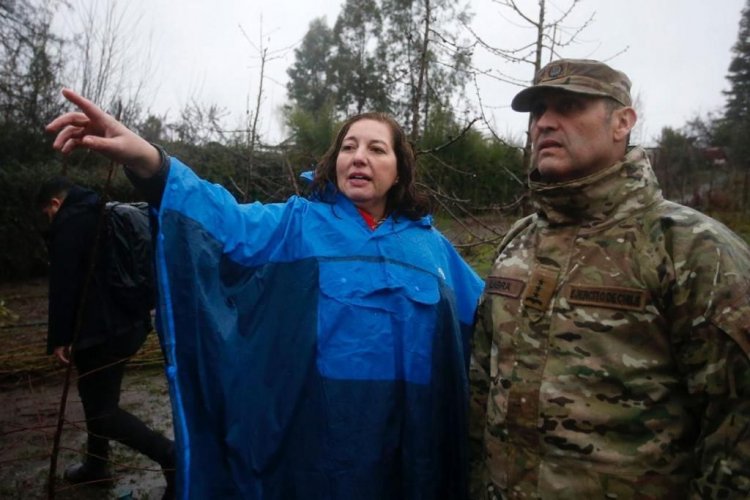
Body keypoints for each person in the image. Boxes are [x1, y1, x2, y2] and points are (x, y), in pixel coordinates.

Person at [46, 90, 485, 499]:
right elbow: (221, 221)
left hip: (413, 446)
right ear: (335, 161)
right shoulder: (298, 225)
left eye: (376, 149)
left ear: (399, 171)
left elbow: (489, 320)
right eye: (349, 146)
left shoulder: (432, 250)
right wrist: (149, 160)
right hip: (321, 447)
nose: (359, 157)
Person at [469, 58, 750, 499]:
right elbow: (480, 392)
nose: (545, 123)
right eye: (538, 110)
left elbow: (737, 431)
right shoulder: (517, 244)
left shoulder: (691, 249)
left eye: (568, 107)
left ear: (622, 122)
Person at [36, 177, 175, 496]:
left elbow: (65, 285)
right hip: (128, 324)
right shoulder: (100, 211)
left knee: (103, 410)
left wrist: (60, 337)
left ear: (55, 204)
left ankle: (170, 455)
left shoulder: (71, 222)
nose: (49, 220)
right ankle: (96, 465)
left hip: (104, 333)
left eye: (47, 213)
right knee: (94, 395)